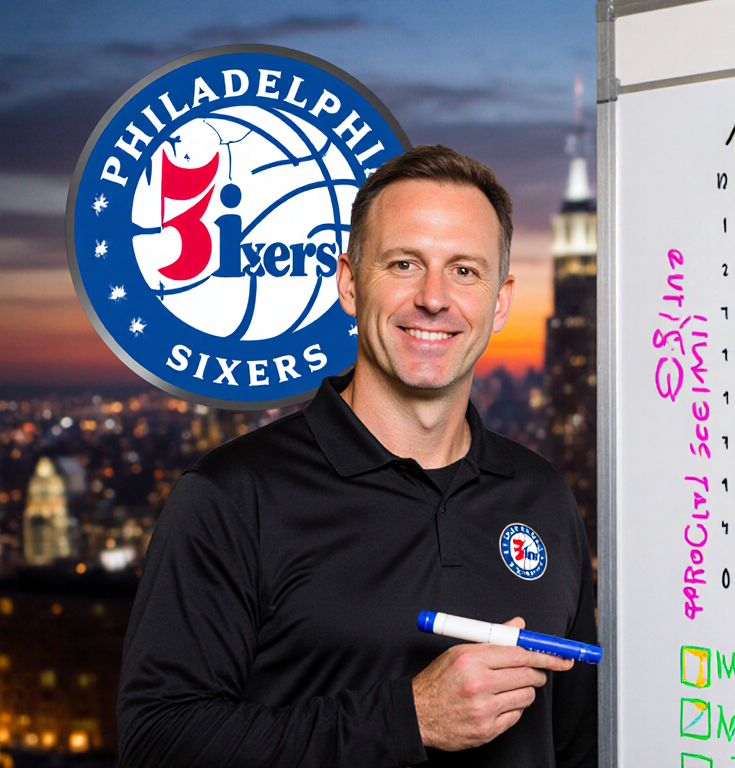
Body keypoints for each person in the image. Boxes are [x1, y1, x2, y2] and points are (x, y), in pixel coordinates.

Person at [117, 146, 598, 767]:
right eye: (404, 264)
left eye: (465, 271)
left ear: (501, 300)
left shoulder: (542, 496)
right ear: (349, 282)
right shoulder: (233, 497)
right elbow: (157, 745)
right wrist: (409, 718)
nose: (433, 298)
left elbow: (580, 746)